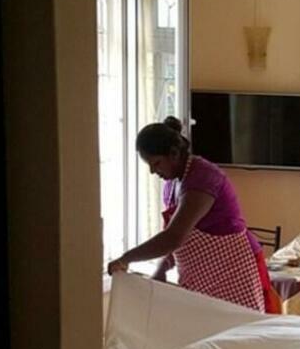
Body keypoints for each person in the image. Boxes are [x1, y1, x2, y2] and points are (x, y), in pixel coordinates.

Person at [107, 117, 271, 311]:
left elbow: (174, 236)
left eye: (156, 163)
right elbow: (177, 238)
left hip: (235, 272)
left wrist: (126, 258)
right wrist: (163, 268)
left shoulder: (203, 178)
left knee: (237, 324)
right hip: (202, 275)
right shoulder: (171, 184)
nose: (152, 171)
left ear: (174, 153)